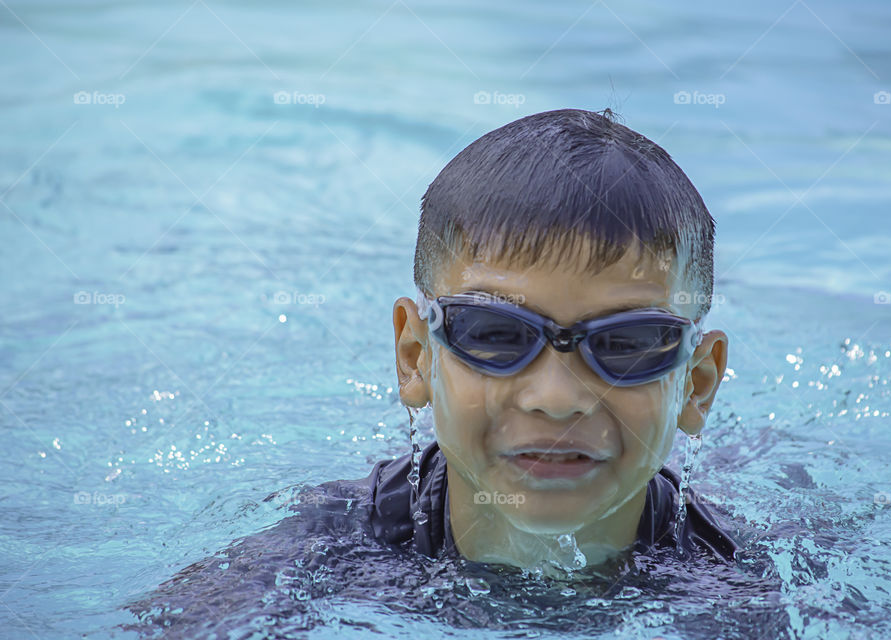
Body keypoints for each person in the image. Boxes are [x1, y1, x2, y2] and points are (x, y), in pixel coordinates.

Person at [125, 108, 739, 635]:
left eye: (628, 343)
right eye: (496, 335)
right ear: (415, 356)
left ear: (697, 384)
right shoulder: (317, 557)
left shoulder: (744, 583)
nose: (556, 398)